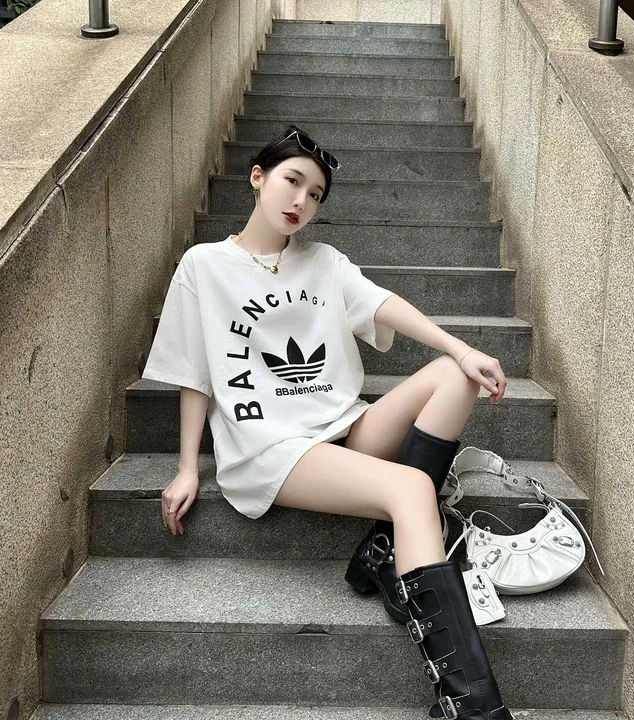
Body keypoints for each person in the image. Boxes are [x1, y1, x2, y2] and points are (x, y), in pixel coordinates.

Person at [141, 124, 514, 720]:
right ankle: (472, 705)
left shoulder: (323, 261)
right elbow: (194, 372)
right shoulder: (204, 265)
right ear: (258, 177)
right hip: (271, 447)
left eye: (314, 194)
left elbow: (382, 303)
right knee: (412, 487)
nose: (301, 201)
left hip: (340, 424)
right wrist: (188, 466)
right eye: (292, 181)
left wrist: (462, 348)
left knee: (455, 375)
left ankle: (385, 551)